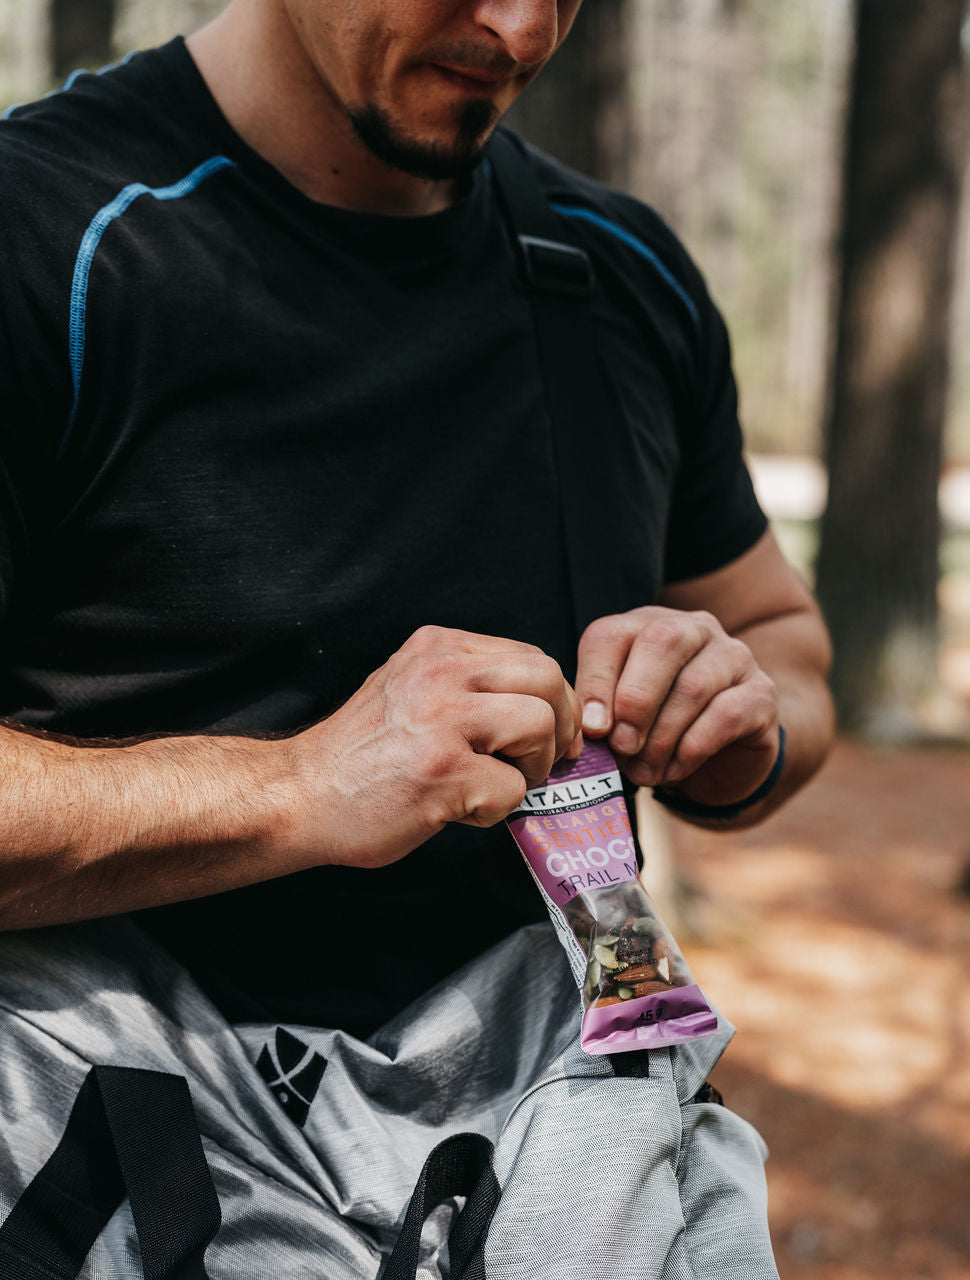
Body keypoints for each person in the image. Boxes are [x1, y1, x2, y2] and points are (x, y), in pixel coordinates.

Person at [0, 0, 833, 1042]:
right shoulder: (41, 238)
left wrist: (737, 726)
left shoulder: (621, 271)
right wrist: (298, 788)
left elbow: (781, 641)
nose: (525, 33)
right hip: (121, 1160)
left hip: (553, 1155)